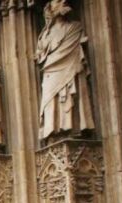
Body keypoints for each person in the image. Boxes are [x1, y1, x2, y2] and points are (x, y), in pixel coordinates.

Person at [36, 0, 95, 141]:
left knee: (70, 96)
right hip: (51, 72)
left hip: (71, 68)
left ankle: (73, 128)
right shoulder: (45, 35)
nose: (63, 1)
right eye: (58, 1)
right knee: (52, 101)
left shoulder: (75, 27)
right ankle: (54, 132)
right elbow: (40, 54)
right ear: (50, 9)